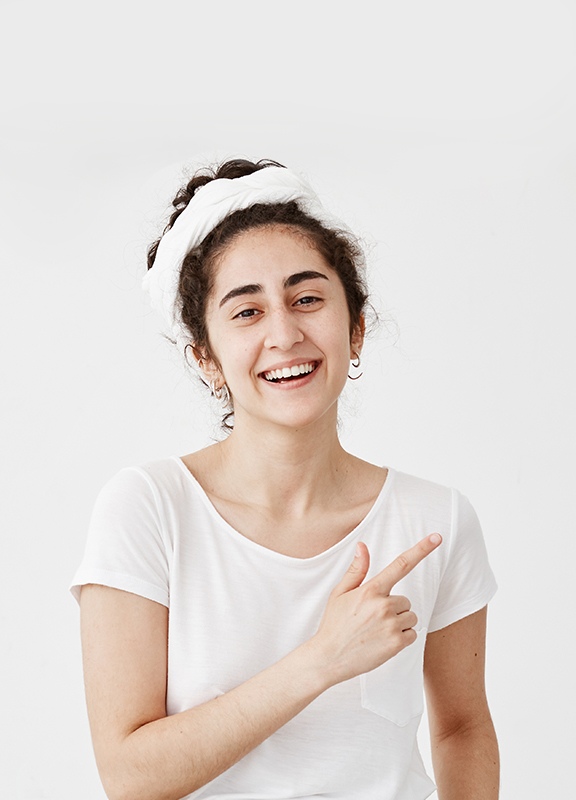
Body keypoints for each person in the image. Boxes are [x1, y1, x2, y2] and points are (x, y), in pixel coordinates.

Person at [71, 158, 499, 800]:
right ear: (206, 357)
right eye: (247, 311)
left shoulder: (435, 520)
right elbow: (128, 776)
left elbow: (463, 727)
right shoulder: (148, 509)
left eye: (307, 299)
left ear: (356, 328)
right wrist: (322, 659)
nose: (284, 333)